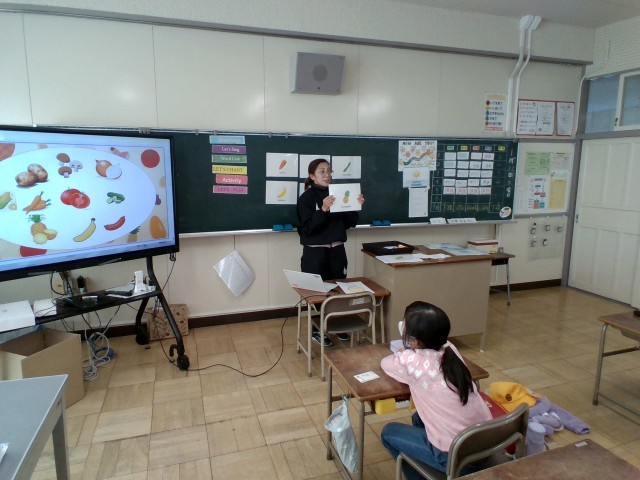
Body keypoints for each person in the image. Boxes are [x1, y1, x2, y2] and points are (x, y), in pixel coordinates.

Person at [380, 302, 492, 479]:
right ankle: (425, 462)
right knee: (418, 417)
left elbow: (386, 363)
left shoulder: (412, 362)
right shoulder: (451, 350)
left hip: (454, 456)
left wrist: (404, 352)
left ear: (415, 341)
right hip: (486, 443)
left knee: (388, 432)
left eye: (404, 323)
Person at [297, 158, 365, 347]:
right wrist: (323, 210)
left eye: (329, 171)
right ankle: (317, 331)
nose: (327, 175)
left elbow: (350, 223)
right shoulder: (306, 198)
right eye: (322, 171)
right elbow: (307, 229)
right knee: (317, 294)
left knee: (338, 291)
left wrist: (355, 206)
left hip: (337, 252)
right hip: (315, 255)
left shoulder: (337, 194)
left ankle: (337, 325)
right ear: (312, 176)